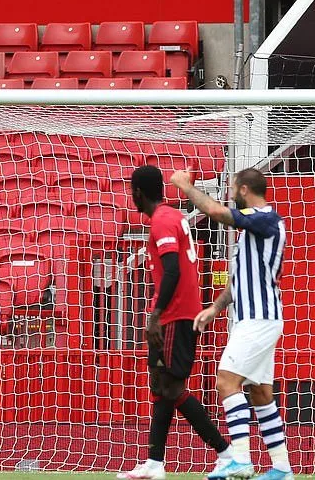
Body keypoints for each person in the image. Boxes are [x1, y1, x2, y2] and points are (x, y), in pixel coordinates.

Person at [171, 167, 292, 480]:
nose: (229, 194)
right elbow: (239, 279)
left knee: (226, 379)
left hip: (259, 318)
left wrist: (185, 187)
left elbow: (214, 211)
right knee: (261, 393)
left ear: (244, 190)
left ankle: (239, 459)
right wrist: (215, 308)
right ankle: (281, 468)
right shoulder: (251, 227)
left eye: (232, 188)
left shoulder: (266, 218)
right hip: (254, 318)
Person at [117, 166, 232, 480]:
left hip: (176, 315)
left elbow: (172, 271)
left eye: (131, 190)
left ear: (138, 193)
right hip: (174, 313)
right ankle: (154, 463)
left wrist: (155, 316)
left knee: (171, 387)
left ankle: (224, 451)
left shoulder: (163, 220)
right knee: (160, 385)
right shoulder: (169, 216)